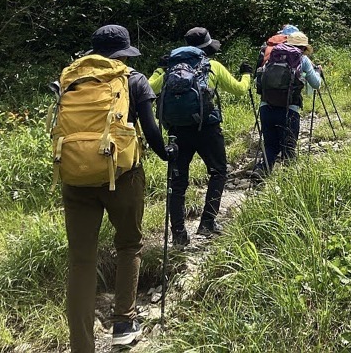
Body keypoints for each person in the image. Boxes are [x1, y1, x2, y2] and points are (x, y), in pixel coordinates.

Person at [58, 25, 169, 352]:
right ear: (123, 53)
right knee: (129, 245)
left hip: (75, 176)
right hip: (123, 175)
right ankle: (124, 323)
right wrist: (167, 154)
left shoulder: (68, 79)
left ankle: (82, 345)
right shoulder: (134, 79)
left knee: (81, 260)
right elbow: (150, 129)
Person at [149, 27, 251, 249]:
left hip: (177, 130)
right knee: (218, 172)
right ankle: (207, 222)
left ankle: (178, 234)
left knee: (177, 183)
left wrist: (159, 69)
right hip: (207, 128)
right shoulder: (211, 66)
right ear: (207, 46)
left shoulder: (169, 69)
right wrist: (246, 74)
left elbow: (148, 89)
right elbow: (240, 90)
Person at [252, 31, 321, 177]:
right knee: (288, 147)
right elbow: (315, 84)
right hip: (289, 109)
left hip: (266, 107)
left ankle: (261, 170)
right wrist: (318, 73)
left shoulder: (272, 55)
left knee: (270, 145)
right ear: (303, 48)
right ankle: (289, 181)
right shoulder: (302, 59)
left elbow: (258, 81)